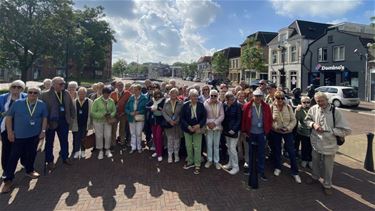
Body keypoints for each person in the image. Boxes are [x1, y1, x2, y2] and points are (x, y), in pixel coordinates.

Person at [1, 86, 48, 193]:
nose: (32, 94)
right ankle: (8, 180)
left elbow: (44, 118)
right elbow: (8, 118)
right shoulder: (18, 103)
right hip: (19, 137)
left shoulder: (41, 104)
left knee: (31, 154)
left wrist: (43, 131)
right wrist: (9, 132)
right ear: (27, 93)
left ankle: (29, 170)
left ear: (38, 94)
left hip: (34, 136)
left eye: (35, 93)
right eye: (30, 92)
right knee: (13, 157)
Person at [305, 92, 351, 195]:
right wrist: (313, 124)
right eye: (318, 101)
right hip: (316, 142)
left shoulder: (336, 112)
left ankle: (327, 185)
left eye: (322, 100)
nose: (320, 103)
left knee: (328, 166)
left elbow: (347, 130)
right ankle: (315, 177)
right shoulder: (313, 109)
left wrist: (332, 131)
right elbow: (307, 120)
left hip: (329, 143)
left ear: (327, 100)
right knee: (315, 162)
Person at [40, 77, 75, 170]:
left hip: (64, 121)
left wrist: (72, 117)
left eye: (63, 83)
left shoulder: (66, 93)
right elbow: (42, 110)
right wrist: (44, 123)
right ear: (53, 84)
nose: (63, 85)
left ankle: (65, 157)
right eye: (61, 84)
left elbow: (71, 106)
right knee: (49, 142)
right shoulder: (44, 95)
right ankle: (50, 161)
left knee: (64, 141)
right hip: (50, 123)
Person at [270, 91, 301, 183]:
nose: (280, 100)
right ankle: (278, 167)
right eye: (278, 98)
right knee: (277, 150)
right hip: (276, 132)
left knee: (291, 151)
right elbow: (269, 120)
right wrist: (275, 127)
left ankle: (295, 172)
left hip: (287, 132)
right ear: (275, 98)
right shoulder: (271, 107)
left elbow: (293, 120)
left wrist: (288, 128)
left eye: (282, 98)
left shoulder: (288, 107)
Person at [241, 89, 272, 180]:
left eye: (260, 96)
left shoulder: (266, 106)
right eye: (256, 96)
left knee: (261, 153)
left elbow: (270, 119)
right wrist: (244, 131)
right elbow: (244, 119)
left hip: (261, 133)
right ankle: (251, 169)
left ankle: (261, 171)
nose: (258, 98)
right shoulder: (247, 106)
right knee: (251, 152)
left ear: (262, 97)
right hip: (251, 133)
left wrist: (267, 131)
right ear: (253, 96)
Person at [0, 80, 27, 178]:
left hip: (21, 128)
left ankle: (25, 164)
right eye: (14, 86)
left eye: (19, 87)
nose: (16, 89)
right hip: (5, 127)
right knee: (6, 149)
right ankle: (6, 170)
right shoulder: (2, 98)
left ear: (22, 89)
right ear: (10, 87)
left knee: (21, 148)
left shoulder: (26, 97)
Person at [180, 89, 207, 175]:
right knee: (188, 146)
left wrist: (199, 125)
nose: (195, 97)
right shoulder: (185, 105)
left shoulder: (201, 105)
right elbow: (182, 118)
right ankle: (190, 161)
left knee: (197, 147)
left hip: (197, 129)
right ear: (189, 96)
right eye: (193, 96)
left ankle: (197, 164)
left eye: (196, 96)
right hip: (187, 129)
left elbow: (204, 117)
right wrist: (188, 126)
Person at [91, 86, 116, 159]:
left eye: (108, 93)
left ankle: (107, 150)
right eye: (105, 93)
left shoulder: (111, 101)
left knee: (108, 135)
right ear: (102, 93)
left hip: (108, 121)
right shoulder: (96, 101)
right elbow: (92, 113)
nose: (107, 95)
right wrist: (102, 115)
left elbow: (114, 110)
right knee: (99, 136)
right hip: (98, 121)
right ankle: (100, 150)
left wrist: (111, 115)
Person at [222, 92, 242, 175]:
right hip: (227, 130)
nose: (231, 101)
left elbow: (239, 119)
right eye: (229, 100)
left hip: (234, 131)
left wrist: (234, 129)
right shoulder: (225, 105)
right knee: (229, 147)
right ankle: (230, 163)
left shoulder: (238, 106)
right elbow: (224, 117)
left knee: (233, 148)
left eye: (232, 99)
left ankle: (236, 166)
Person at [204, 89, 224, 170]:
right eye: (211, 95)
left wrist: (215, 123)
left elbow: (222, 115)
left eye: (215, 95)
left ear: (217, 96)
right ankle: (209, 160)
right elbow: (203, 115)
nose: (213, 97)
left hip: (217, 127)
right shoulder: (205, 103)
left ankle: (216, 161)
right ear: (209, 95)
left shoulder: (220, 104)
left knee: (216, 145)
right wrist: (209, 123)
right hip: (208, 127)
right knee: (209, 144)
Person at [125, 84, 148, 153]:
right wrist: (129, 112)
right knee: (133, 133)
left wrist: (139, 112)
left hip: (140, 118)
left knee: (138, 133)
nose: (134, 91)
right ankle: (133, 147)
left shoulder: (144, 98)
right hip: (131, 118)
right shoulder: (131, 98)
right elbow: (126, 108)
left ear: (140, 90)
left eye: (136, 90)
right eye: (133, 90)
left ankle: (139, 147)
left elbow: (146, 109)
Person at [162, 88, 183, 163]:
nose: (173, 94)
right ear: (169, 94)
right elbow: (163, 112)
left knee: (177, 141)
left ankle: (176, 154)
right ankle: (170, 155)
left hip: (177, 125)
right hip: (169, 125)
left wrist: (176, 121)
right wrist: (169, 120)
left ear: (177, 94)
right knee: (170, 140)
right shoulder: (166, 102)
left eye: (175, 93)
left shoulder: (180, 103)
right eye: (172, 93)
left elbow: (181, 114)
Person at [71, 87, 93, 159]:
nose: (81, 95)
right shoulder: (74, 102)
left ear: (85, 94)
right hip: (76, 124)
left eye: (83, 94)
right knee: (76, 138)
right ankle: (76, 151)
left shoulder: (90, 102)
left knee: (84, 138)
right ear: (78, 94)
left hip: (85, 124)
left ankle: (83, 151)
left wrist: (91, 124)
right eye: (80, 93)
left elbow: (91, 114)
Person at [110, 81, 131, 147]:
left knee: (122, 128)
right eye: (118, 85)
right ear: (116, 86)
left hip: (123, 114)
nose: (120, 86)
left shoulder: (127, 93)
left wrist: (124, 112)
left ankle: (122, 142)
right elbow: (110, 104)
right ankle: (113, 143)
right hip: (115, 114)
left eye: (121, 85)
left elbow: (129, 104)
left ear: (123, 86)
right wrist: (114, 112)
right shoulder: (113, 94)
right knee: (114, 129)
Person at [146, 89, 165, 161]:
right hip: (153, 120)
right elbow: (146, 107)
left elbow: (164, 109)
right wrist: (151, 108)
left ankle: (160, 154)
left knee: (158, 136)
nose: (157, 98)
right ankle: (157, 151)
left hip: (160, 121)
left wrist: (159, 108)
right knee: (154, 137)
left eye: (158, 97)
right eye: (156, 97)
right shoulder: (152, 100)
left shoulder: (163, 100)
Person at [295, 96, 312, 168]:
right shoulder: (300, 110)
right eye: (304, 102)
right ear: (301, 103)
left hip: (312, 132)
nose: (306, 104)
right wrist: (297, 111)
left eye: (308, 102)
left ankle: (310, 160)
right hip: (302, 131)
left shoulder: (312, 110)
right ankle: (304, 159)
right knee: (304, 146)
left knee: (311, 147)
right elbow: (297, 119)